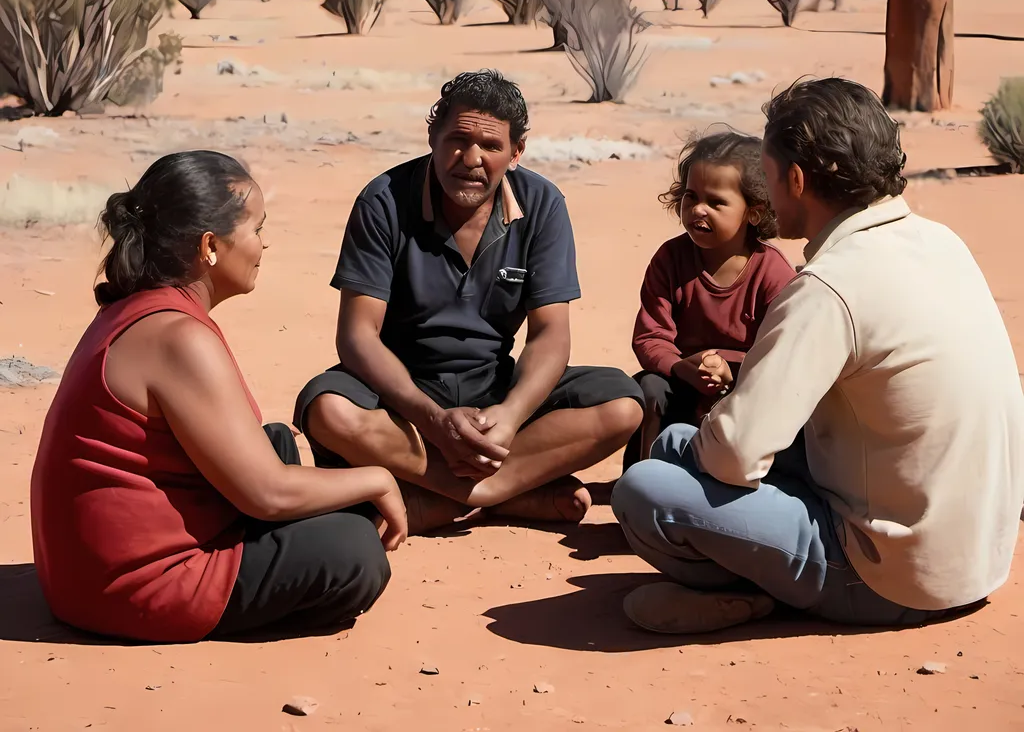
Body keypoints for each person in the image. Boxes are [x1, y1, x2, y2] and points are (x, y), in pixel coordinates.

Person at [612, 77, 1024, 634]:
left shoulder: (829, 288)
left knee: (644, 491)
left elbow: (736, 454)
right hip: (976, 557)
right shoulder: (941, 241)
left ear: (796, 179)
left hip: (893, 577)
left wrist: (720, 442)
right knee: (672, 444)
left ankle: (757, 596)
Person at [31, 151, 402, 644]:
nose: (263, 244)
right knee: (353, 549)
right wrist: (378, 478)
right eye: (256, 228)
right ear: (210, 246)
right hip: (132, 588)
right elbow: (267, 495)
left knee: (275, 446)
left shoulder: (135, 309)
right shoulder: (178, 338)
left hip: (85, 577)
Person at [294, 69, 643, 533]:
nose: (471, 159)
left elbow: (550, 334)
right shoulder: (383, 201)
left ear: (516, 153)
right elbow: (358, 336)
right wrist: (433, 419)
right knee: (329, 408)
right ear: (433, 137)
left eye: (492, 147)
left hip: (493, 392)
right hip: (403, 397)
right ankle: (502, 493)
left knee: (622, 405)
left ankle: (455, 498)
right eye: (457, 140)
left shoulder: (542, 205)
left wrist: (511, 414)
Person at [626, 131, 795, 464]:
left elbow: (784, 355)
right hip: (680, 383)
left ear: (754, 212)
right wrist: (681, 368)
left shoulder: (772, 273)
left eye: (716, 202)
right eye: (691, 196)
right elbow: (650, 337)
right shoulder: (670, 259)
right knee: (647, 389)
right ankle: (644, 475)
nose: (698, 210)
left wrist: (733, 370)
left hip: (744, 390)